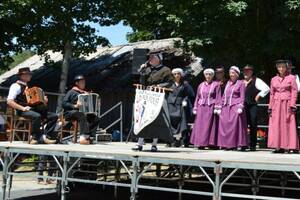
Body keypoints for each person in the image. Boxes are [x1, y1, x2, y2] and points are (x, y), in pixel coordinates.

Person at [133, 51, 173, 152]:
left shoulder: (166, 70)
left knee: (156, 120)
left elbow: (170, 83)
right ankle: (139, 143)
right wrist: (142, 71)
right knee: (143, 118)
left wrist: (159, 86)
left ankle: (154, 144)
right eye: (149, 58)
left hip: (158, 97)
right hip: (147, 97)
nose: (150, 59)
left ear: (159, 59)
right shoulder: (147, 70)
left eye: (153, 58)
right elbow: (142, 82)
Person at [7, 67, 57, 144]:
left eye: (30, 74)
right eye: (28, 74)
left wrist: (43, 100)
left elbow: (33, 102)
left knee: (53, 116)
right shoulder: (15, 86)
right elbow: (9, 101)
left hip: (32, 109)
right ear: (22, 76)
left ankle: (45, 137)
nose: (30, 76)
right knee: (36, 116)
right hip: (21, 110)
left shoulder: (29, 88)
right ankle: (34, 138)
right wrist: (22, 108)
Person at [268, 60, 299, 153]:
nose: (281, 69)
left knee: (288, 124)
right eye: (279, 67)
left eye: (283, 67)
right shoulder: (273, 79)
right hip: (276, 104)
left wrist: (293, 104)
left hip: (287, 103)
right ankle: (278, 146)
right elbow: (271, 94)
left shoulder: (291, 78)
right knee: (276, 124)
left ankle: (291, 146)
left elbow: (294, 91)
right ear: (277, 68)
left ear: (286, 68)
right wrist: (270, 107)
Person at [62, 75, 100, 145]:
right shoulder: (71, 92)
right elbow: (64, 103)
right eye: (82, 82)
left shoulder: (84, 93)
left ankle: (90, 137)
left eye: (84, 82)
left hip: (80, 113)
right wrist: (74, 105)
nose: (84, 84)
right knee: (81, 115)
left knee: (95, 118)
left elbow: (87, 105)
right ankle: (82, 138)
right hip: (69, 113)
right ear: (77, 83)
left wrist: (96, 104)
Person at [218, 66, 248, 150]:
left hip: (235, 107)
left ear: (237, 74)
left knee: (235, 126)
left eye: (233, 73)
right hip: (226, 107)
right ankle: (227, 144)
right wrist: (220, 105)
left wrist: (240, 106)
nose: (231, 74)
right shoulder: (227, 83)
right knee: (225, 126)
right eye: (230, 73)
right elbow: (224, 95)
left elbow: (242, 96)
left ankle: (236, 144)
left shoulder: (240, 83)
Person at [190, 68, 221, 149]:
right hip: (201, 107)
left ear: (212, 76)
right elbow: (197, 97)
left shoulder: (216, 84)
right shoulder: (201, 85)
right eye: (206, 74)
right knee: (200, 126)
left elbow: (218, 96)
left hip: (210, 107)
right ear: (204, 75)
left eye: (210, 74)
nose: (208, 76)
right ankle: (200, 143)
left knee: (209, 126)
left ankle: (210, 143)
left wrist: (217, 107)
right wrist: (195, 107)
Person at [243, 65, 270, 151]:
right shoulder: (241, 81)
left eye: (248, 71)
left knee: (253, 124)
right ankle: (243, 144)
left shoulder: (256, 80)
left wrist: (259, 95)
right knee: (242, 125)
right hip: (242, 106)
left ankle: (253, 144)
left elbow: (266, 88)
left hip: (252, 105)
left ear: (251, 72)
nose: (246, 73)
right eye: (245, 71)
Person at [167, 68, 195, 147]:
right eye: (175, 74)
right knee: (170, 121)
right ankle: (171, 141)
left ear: (181, 75)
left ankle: (183, 140)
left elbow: (191, 94)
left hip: (180, 105)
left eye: (178, 74)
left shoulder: (185, 84)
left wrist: (185, 100)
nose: (177, 75)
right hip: (171, 104)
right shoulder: (169, 84)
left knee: (182, 123)